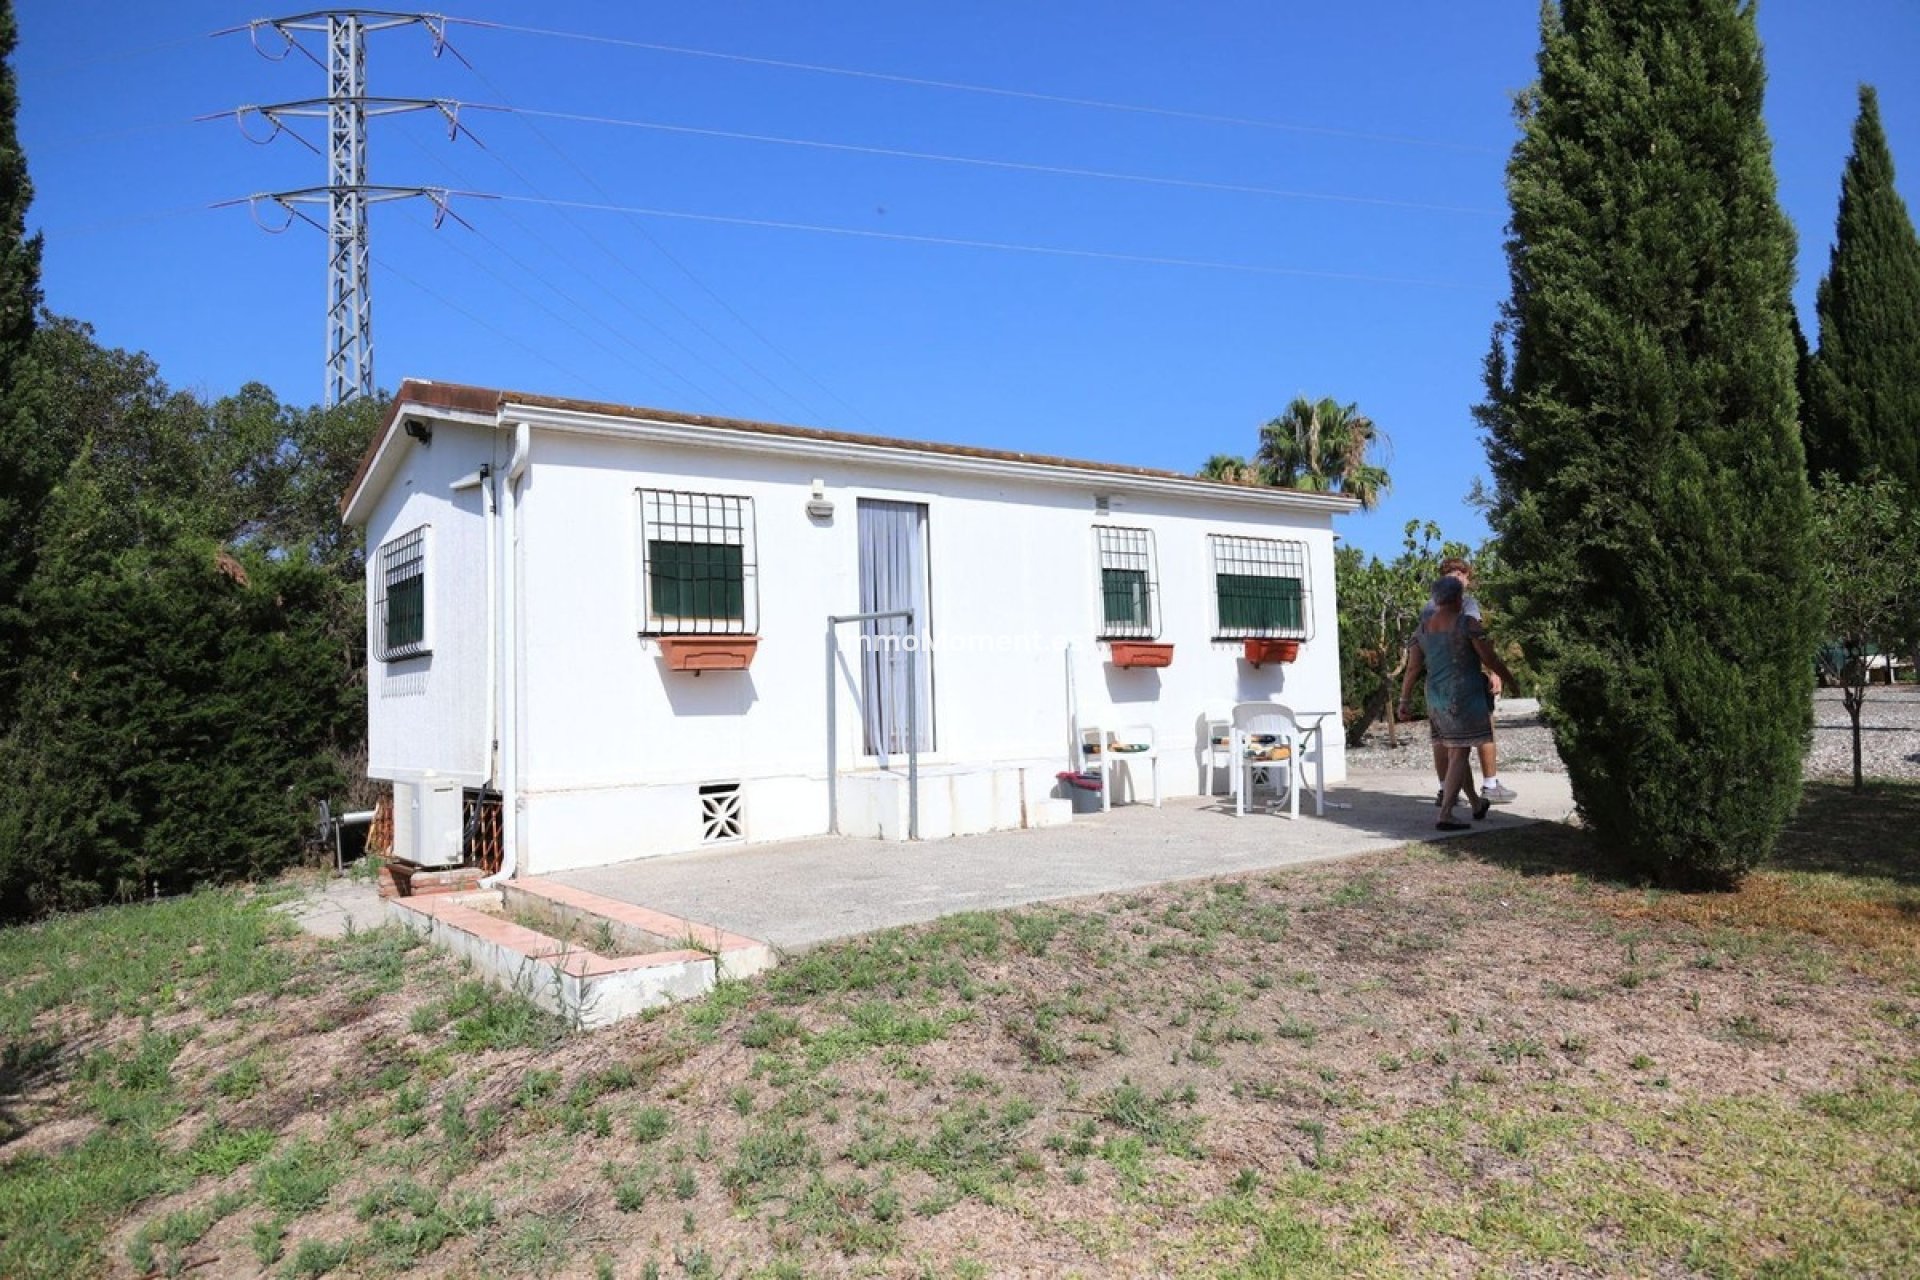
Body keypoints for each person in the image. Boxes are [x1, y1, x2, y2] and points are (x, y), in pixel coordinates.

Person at [1399, 575, 1518, 831]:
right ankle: (1446, 814)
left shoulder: (1421, 630)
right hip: (1464, 695)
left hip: (1436, 696)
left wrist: (1404, 700)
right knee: (1460, 752)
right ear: (1458, 598)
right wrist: (1510, 680)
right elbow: (1490, 658)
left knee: (1455, 750)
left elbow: (1412, 669)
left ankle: (1475, 803)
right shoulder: (1467, 624)